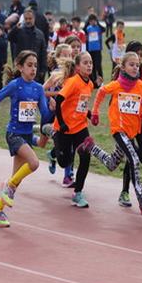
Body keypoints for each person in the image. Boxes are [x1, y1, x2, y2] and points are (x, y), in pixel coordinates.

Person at [78, 51, 142, 215]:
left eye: (137, 65)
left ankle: (91, 147)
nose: (135, 67)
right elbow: (102, 92)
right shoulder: (116, 84)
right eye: (131, 65)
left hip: (132, 132)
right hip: (119, 130)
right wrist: (95, 112)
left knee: (112, 164)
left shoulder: (141, 86)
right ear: (123, 67)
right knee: (134, 159)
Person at [0, 50, 52, 227]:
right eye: (29, 65)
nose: (33, 69)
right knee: (34, 163)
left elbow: (45, 114)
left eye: (35, 65)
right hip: (14, 134)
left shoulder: (39, 89)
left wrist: (54, 109)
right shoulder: (16, 85)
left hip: (27, 135)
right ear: (20, 67)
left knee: (17, 178)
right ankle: (7, 186)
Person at [45, 52, 95, 207]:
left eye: (91, 63)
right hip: (63, 128)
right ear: (78, 67)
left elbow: (80, 104)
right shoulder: (73, 82)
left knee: (85, 157)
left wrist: (89, 114)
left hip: (80, 127)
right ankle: (53, 150)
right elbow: (59, 100)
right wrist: (61, 123)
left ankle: (78, 193)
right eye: (85, 63)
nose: (89, 65)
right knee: (64, 161)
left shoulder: (90, 84)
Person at [117, 40, 142, 207]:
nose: (138, 59)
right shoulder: (121, 76)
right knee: (132, 156)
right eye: (135, 55)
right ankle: (125, 192)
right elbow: (114, 99)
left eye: (141, 55)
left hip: (141, 121)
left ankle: (123, 157)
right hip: (126, 124)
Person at [42, 43, 76, 187]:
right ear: (57, 58)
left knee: (72, 144)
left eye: (70, 55)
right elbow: (42, 91)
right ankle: (55, 155)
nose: (68, 58)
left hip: (71, 113)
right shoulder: (56, 74)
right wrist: (53, 97)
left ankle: (67, 174)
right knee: (66, 143)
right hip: (58, 113)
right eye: (64, 55)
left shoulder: (74, 73)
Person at [7, 8, 47, 82]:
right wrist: (15, 28)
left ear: (34, 19)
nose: (28, 21)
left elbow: (43, 52)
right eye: (26, 19)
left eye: (30, 18)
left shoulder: (40, 34)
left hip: (35, 70)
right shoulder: (19, 31)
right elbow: (9, 38)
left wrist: (43, 69)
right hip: (21, 69)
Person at [85, 13, 105, 85]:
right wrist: (88, 22)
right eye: (91, 21)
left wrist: (98, 23)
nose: (92, 22)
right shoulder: (88, 28)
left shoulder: (98, 28)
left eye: (94, 20)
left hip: (97, 49)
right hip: (90, 50)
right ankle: (93, 81)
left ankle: (101, 81)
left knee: (98, 65)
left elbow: (104, 29)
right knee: (91, 65)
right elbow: (84, 29)